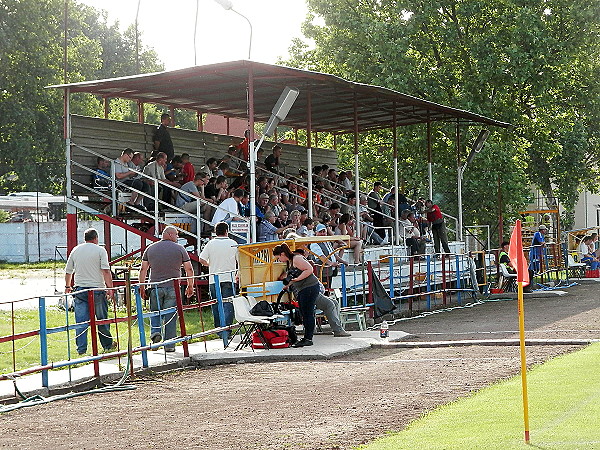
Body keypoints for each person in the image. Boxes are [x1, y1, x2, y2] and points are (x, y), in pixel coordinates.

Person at [138, 226, 194, 352]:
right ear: (169, 234)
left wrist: (142, 287)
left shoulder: (150, 248)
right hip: (173, 287)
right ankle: (169, 345)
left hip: (155, 287)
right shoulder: (180, 249)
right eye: (176, 235)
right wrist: (190, 285)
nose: (177, 237)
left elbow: (143, 269)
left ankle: (155, 334)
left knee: (155, 313)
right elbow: (189, 268)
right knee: (170, 316)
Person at [64, 228, 116, 355]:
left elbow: (68, 271)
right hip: (97, 289)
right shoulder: (100, 250)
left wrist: (67, 286)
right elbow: (106, 271)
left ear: (85, 238)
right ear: (96, 238)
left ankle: (81, 349)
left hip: (80, 290)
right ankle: (107, 345)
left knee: (81, 322)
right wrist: (110, 288)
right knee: (102, 320)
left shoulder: (76, 250)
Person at [273, 243, 320, 347]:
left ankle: (308, 338)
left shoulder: (296, 259)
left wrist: (297, 279)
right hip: (303, 288)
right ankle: (307, 337)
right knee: (304, 312)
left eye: (278, 258)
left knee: (307, 313)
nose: (279, 260)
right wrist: (288, 284)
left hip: (310, 287)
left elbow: (309, 269)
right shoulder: (290, 262)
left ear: (282, 254)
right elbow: (293, 275)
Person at [199, 222, 239, 341]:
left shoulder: (210, 244)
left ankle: (219, 329)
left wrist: (209, 264)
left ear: (216, 232)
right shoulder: (233, 243)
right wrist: (237, 273)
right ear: (227, 231)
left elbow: (201, 259)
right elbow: (239, 260)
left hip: (214, 278)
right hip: (229, 277)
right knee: (228, 304)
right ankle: (227, 329)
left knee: (216, 304)